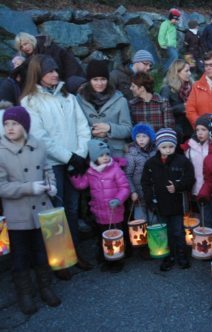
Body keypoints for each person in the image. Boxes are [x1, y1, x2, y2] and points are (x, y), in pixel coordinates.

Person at [20, 54, 92, 280]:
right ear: (38, 74)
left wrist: (79, 155)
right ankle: (59, 258)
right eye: (49, 71)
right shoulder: (29, 102)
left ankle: (76, 251)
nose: (55, 74)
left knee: (72, 209)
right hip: (51, 164)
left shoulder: (68, 97)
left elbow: (82, 126)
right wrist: (69, 157)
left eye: (56, 70)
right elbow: (40, 137)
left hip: (73, 160)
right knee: (55, 213)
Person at [0, 106, 60, 314]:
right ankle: (25, 294)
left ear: (24, 125)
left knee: (42, 251)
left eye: (14, 123)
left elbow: (47, 169)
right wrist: (29, 188)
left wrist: (52, 186)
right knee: (20, 256)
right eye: (6, 124)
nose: (9, 128)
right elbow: (1, 187)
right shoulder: (0, 151)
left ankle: (45, 287)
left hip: (42, 209)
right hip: (18, 213)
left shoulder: (39, 145)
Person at [70, 140, 130, 273]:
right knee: (103, 236)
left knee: (116, 237)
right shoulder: (90, 172)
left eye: (107, 154)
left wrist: (118, 199)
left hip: (115, 211)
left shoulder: (115, 170)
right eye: (101, 155)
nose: (105, 157)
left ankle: (118, 260)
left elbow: (125, 187)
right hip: (99, 212)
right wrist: (73, 174)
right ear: (93, 157)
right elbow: (81, 185)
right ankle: (106, 258)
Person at [142, 128, 195, 271]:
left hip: (177, 204)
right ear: (158, 146)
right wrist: (149, 201)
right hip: (159, 204)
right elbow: (145, 183)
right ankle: (168, 256)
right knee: (164, 232)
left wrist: (177, 186)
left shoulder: (182, 161)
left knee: (178, 230)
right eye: (164, 147)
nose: (168, 150)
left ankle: (181, 255)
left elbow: (190, 178)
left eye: (171, 146)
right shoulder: (151, 163)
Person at [76, 59, 132, 157]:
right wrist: (92, 131)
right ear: (89, 80)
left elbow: (128, 129)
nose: (100, 83)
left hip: (115, 154)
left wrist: (109, 128)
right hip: (90, 153)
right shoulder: (78, 100)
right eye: (95, 79)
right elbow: (74, 127)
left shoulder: (120, 100)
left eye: (103, 79)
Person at [14, 32, 85, 82]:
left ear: (31, 41)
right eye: (21, 47)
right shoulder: (30, 55)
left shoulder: (47, 48)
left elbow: (56, 67)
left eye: (25, 44)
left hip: (73, 76)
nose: (24, 48)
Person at [125, 123, 156, 220]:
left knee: (154, 219)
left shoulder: (156, 152)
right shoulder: (131, 154)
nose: (141, 139)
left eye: (144, 136)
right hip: (139, 194)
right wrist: (133, 191)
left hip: (154, 192)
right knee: (140, 220)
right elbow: (128, 175)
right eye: (138, 136)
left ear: (150, 137)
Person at [159, 59, 193, 141]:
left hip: (192, 129)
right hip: (176, 132)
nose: (190, 73)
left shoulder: (192, 87)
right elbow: (162, 110)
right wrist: (182, 107)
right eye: (186, 71)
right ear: (177, 72)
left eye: (190, 70)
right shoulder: (167, 89)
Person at [180, 115, 210, 201]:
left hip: (211, 190)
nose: (200, 133)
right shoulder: (189, 146)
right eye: (197, 130)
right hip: (195, 189)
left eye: (203, 130)